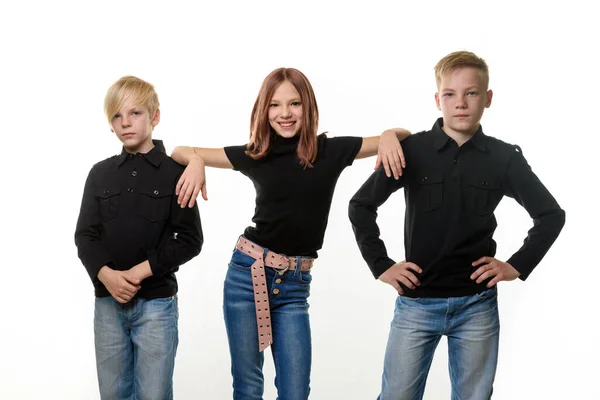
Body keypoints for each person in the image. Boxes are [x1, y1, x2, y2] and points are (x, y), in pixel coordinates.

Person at [172, 67, 410, 400]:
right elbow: (180, 150)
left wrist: (387, 133)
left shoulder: (331, 151)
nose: (285, 113)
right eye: (275, 105)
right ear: (263, 110)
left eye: (294, 104)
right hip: (247, 275)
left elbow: (404, 135)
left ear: (307, 107)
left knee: (295, 391)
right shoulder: (256, 153)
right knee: (248, 386)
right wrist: (195, 162)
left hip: (295, 286)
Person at [348, 50, 566, 400]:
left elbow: (551, 215)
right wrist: (381, 265)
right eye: (450, 94)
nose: (460, 103)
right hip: (416, 302)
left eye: (471, 93)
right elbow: (360, 206)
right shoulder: (412, 150)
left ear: (488, 98)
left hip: (476, 305)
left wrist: (515, 265)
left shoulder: (504, 158)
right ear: (438, 100)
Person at [74, 75, 203, 399]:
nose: (125, 123)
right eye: (117, 116)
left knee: (154, 394)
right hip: (107, 306)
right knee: (113, 394)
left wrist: (138, 272)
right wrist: (108, 276)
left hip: (156, 306)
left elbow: (189, 238)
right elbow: (85, 235)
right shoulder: (99, 173)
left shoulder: (176, 172)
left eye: (135, 113)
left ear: (155, 117)